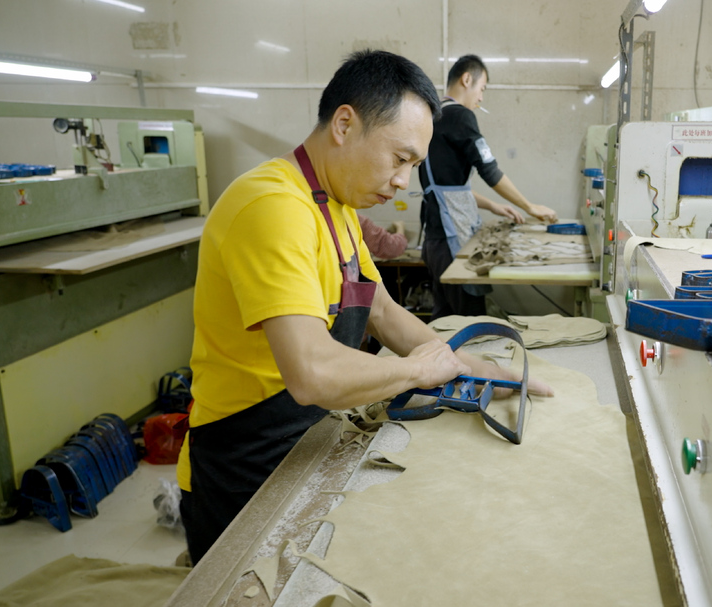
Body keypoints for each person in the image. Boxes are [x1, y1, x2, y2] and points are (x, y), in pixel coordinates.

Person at [177, 50, 551, 565]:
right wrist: (417, 371)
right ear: (345, 125)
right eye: (399, 159)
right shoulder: (272, 207)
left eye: (413, 166)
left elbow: (383, 312)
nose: (403, 182)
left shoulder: (337, 207)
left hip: (306, 440)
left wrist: (476, 368)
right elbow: (311, 372)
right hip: (243, 467)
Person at [419, 54, 558, 320]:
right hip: (452, 241)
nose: (481, 98)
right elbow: (489, 170)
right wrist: (530, 207)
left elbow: (447, 188)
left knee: (445, 320)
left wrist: (494, 206)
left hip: (434, 242)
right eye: (482, 89)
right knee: (471, 322)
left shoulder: (432, 117)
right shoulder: (460, 116)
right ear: (466, 79)